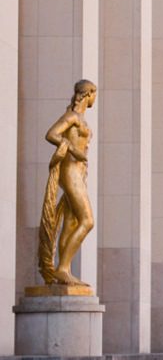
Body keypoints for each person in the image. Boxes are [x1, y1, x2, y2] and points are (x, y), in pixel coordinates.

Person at [39, 79, 97, 286]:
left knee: (71, 223)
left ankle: (65, 271)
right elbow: (51, 134)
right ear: (89, 93)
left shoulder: (79, 118)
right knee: (88, 221)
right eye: (94, 94)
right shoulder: (72, 117)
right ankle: (62, 268)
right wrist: (73, 150)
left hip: (79, 173)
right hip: (70, 170)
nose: (94, 99)